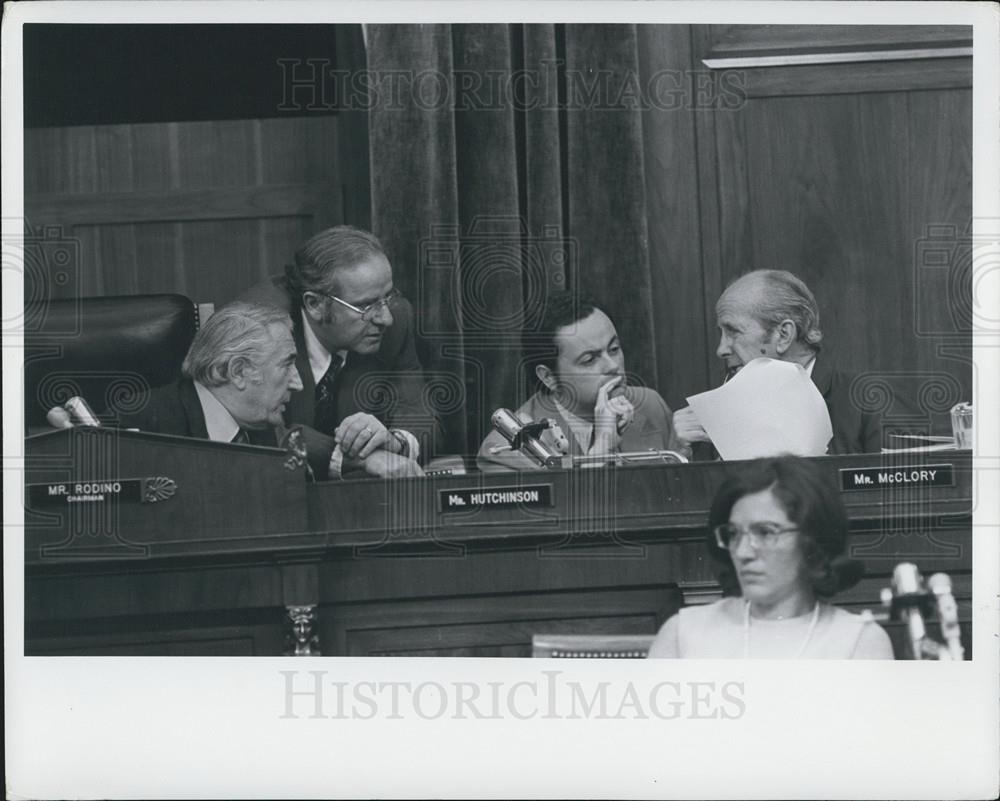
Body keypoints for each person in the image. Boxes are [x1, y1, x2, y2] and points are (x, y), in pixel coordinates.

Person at [647, 455, 894, 659]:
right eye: (734, 534)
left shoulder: (858, 641)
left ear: (811, 539)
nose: (743, 552)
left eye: (765, 532)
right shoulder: (682, 633)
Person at [238, 226, 428, 478]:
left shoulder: (397, 318)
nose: (385, 318)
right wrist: (355, 459)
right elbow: (262, 433)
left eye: (387, 296)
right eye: (366, 306)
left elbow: (417, 411)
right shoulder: (258, 328)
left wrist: (395, 441)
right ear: (315, 304)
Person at [673, 269, 916, 454]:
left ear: (783, 335)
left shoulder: (873, 405)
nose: (721, 350)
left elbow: (901, 499)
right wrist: (681, 454)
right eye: (721, 333)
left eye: (733, 331)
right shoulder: (716, 419)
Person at [110, 302, 334, 477]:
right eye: (286, 365)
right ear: (237, 372)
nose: (298, 383)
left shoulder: (264, 424)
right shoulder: (135, 429)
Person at [477, 292, 689, 471]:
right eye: (589, 360)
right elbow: (568, 508)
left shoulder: (650, 405)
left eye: (614, 349)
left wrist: (685, 450)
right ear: (548, 377)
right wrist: (602, 447)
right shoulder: (507, 449)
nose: (612, 366)